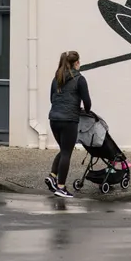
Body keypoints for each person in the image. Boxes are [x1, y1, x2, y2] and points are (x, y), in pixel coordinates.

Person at [46, 51, 91, 197]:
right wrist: (85, 111)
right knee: (66, 152)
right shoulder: (80, 79)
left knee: (64, 149)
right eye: (79, 62)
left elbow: (52, 100)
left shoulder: (56, 79)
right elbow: (87, 102)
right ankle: (61, 187)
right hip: (69, 120)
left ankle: (52, 176)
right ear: (76, 63)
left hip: (54, 119)